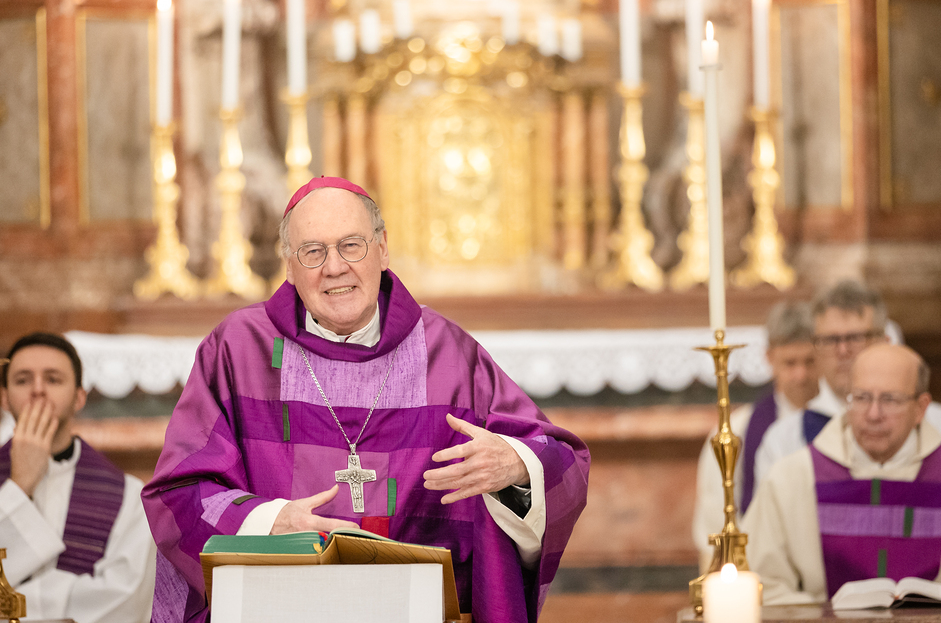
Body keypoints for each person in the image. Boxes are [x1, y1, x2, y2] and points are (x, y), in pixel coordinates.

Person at [142, 176, 590, 623]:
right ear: (289, 266)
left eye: (351, 245)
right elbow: (177, 492)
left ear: (383, 249)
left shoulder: (449, 353)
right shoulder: (239, 349)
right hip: (278, 609)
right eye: (313, 251)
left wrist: (516, 466)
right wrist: (268, 523)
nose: (334, 267)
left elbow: (561, 458)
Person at [745, 343, 941, 604]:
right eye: (862, 398)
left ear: (921, 408)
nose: (873, 414)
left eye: (890, 399)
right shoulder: (791, 479)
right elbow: (761, 584)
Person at [0, 332, 156, 622]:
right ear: (4, 398)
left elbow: (128, 599)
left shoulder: (128, 497)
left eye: (53, 379)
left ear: (79, 398)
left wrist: (18, 606)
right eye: (22, 380)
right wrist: (20, 486)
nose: (38, 390)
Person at [753, 280, 941, 489]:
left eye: (855, 338)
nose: (842, 351)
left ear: (884, 342)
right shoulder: (783, 441)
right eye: (830, 340)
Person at [691, 301, 819, 571]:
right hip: (760, 570)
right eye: (790, 363)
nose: (801, 375)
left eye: (810, 361)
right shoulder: (735, 432)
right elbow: (715, 520)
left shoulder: (841, 424)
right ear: (769, 358)